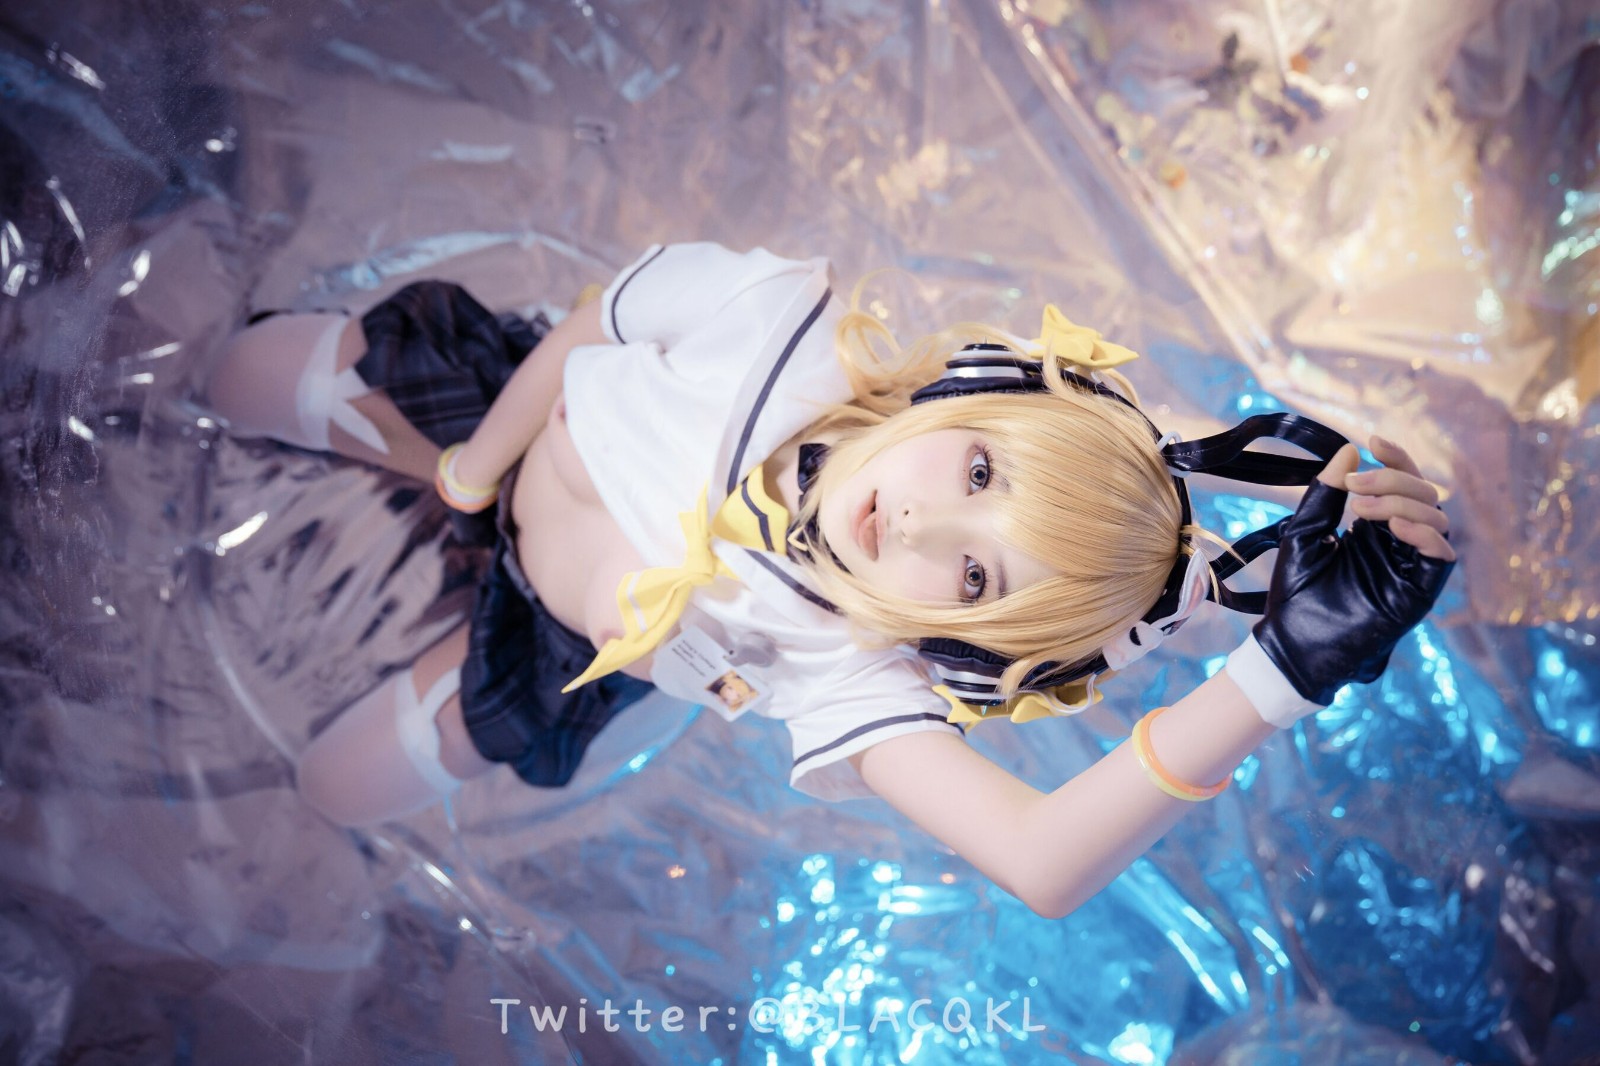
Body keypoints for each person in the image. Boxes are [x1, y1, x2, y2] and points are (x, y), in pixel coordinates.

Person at [202, 242, 1454, 919]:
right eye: (976, 469)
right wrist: (471, 466)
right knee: (243, 374)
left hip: (550, 641)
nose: (915, 521)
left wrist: (1280, 674)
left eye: (973, 574)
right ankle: (358, 424)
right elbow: (599, 318)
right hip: (502, 423)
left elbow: (1039, 859)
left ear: (968, 651)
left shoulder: (848, 660)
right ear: (969, 393)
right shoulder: (772, 325)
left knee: (335, 788)